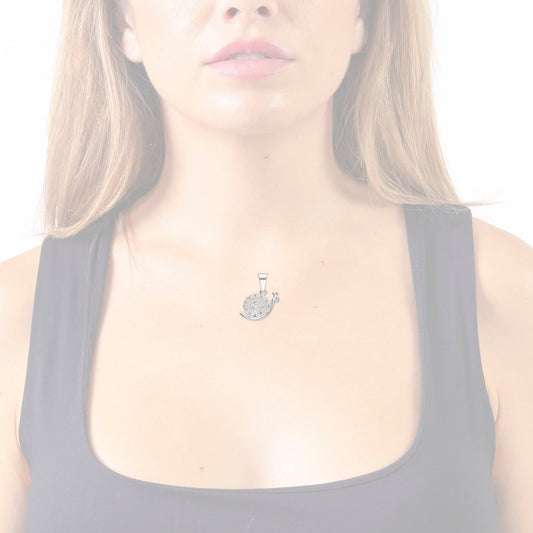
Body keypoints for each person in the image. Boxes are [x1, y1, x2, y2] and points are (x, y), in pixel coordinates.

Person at [1, 0, 532, 531]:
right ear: (123, 20)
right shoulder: (14, 320)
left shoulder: (510, 296)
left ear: (364, 15)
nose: (247, 4)